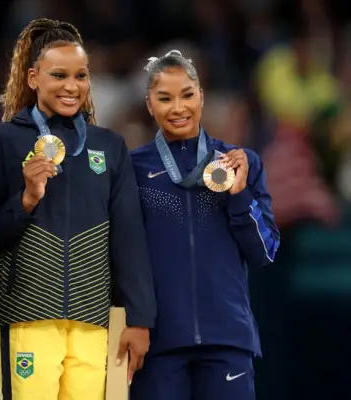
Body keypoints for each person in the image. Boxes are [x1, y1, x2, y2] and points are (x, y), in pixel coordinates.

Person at [0, 17, 156, 400]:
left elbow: (129, 238)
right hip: (26, 315)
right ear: (33, 78)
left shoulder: (109, 147)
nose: (72, 87)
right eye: (59, 75)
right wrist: (25, 200)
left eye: (81, 76)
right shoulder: (0, 142)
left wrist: (139, 319)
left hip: (93, 320)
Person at [128, 50, 281, 400]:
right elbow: (123, 252)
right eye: (164, 98)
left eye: (187, 95)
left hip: (227, 338)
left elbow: (265, 252)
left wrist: (239, 195)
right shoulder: (133, 169)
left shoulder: (239, 163)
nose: (178, 108)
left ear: (202, 96)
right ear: (149, 105)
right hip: (159, 343)